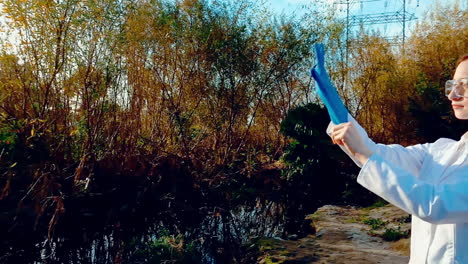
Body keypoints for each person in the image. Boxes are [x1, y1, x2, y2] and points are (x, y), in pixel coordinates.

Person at [311, 44, 468, 264]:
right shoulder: (442, 150)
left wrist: (366, 156)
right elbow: (382, 156)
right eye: (452, 85)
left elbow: (435, 204)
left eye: (464, 85)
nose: (453, 94)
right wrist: (336, 110)